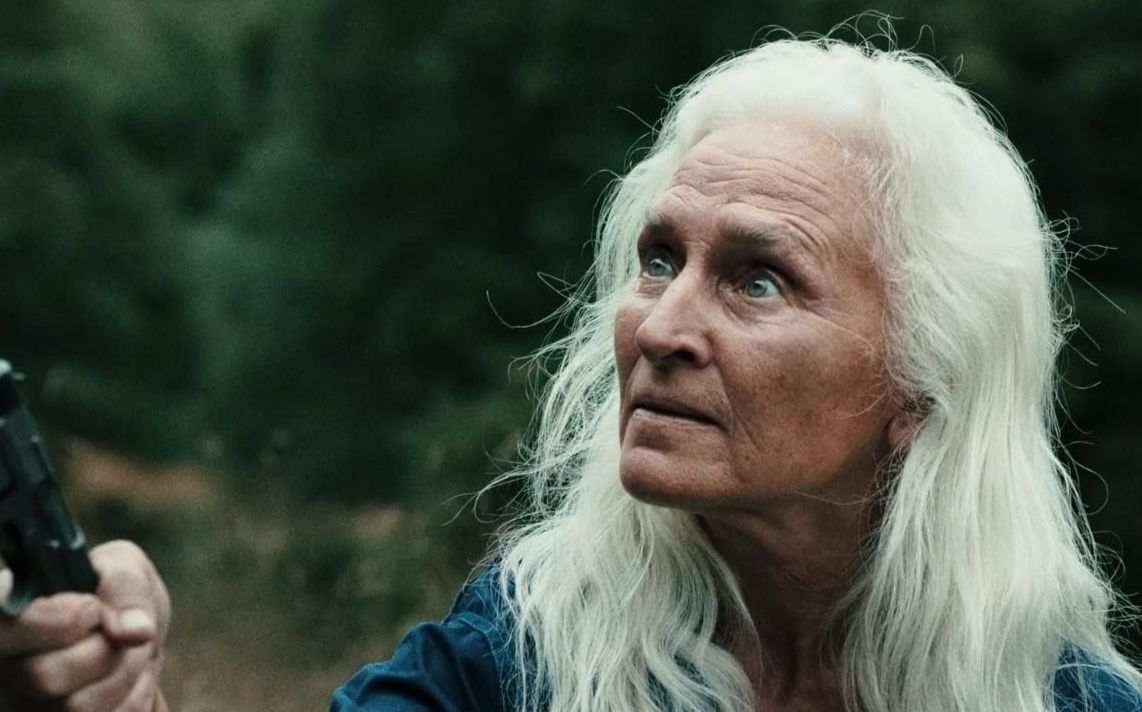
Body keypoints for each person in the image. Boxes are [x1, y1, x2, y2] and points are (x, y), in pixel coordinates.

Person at [2, 32, 1141, 712]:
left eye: (757, 279)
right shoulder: (529, 652)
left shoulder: (1063, 700)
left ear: (917, 393)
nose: (658, 326)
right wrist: (109, 691)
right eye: (658, 258)